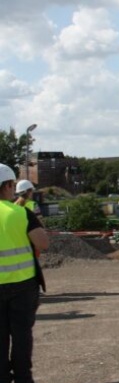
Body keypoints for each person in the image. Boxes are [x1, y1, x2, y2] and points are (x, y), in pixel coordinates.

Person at [0, 164, 48, 383]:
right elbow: (43, 243)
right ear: (9, 186)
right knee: (21, 335)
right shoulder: (21, 213)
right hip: (23, 286)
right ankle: (22, 377)